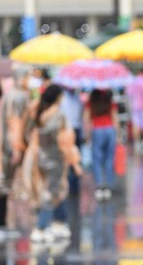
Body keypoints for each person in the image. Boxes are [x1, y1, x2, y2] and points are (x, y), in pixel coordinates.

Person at [23, 84, 83, 243]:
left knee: (56, 190)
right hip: (55, 159)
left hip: (39, 157)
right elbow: (66, 141)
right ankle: (41, 227)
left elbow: (29, 133)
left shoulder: (38, 112)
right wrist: (75, 162)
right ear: (58, 97)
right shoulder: (59, 115)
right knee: (52, 192)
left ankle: (60, 222)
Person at [0, 66, 32, 237]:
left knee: (5, 183)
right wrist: (17, 148)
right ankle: (2, 224)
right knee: (4, 184)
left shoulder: (9, 94)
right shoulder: (18, 97)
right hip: (10, 146)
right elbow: (15, 123)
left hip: (6, 144)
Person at [85, 89, 120, 200]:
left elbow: (86, 119)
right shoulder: (110, 102)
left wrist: (87, 135)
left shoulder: (91, 102)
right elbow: (115, 118)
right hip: (109, 130)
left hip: (97, 130)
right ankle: (108, 186)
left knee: (97, 159)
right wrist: (118, 135)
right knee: (109, 158)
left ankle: (100, 186)